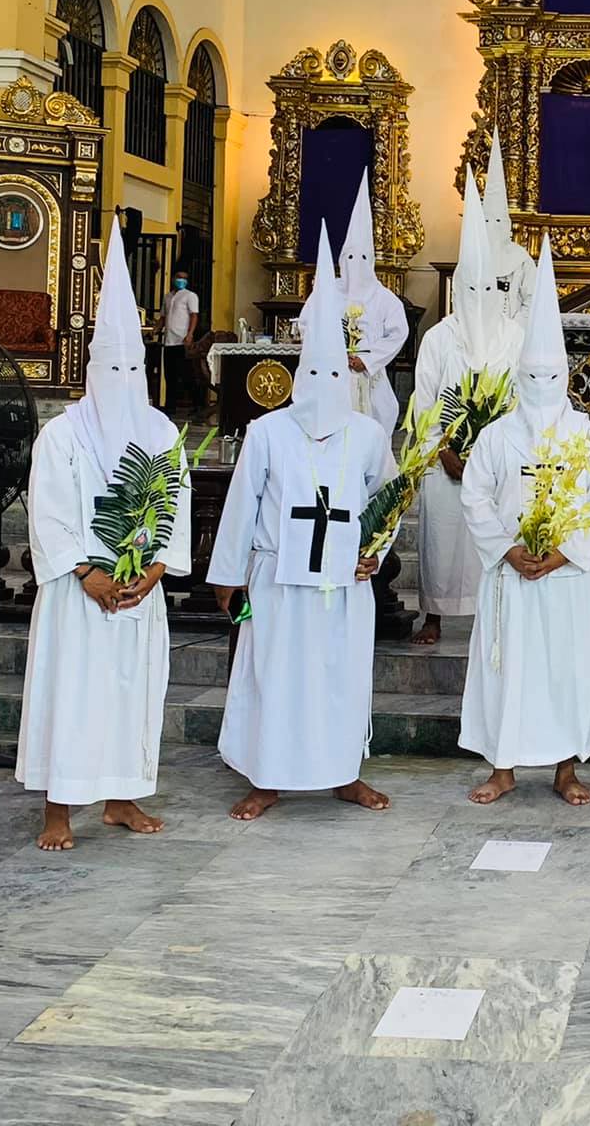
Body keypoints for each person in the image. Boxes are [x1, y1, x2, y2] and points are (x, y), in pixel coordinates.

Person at [16, 220, 193, 852]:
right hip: (77, 592)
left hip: (138, 591)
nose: (122, 374)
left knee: (131, 690)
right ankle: (59, 808)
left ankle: (121, 797)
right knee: (72, 692)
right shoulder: (61, 435)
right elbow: (50, 511)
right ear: (92, 366)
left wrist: (153, 571)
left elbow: (175, 501)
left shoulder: (160, 431)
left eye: (132, 364)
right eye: (110, 363)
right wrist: (87, 573)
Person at [209, 226, 393, 820]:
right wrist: (227, 573)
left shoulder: (368, 436)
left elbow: (387, 501)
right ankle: (268, 775)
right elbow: (242, 502)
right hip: (277, 579)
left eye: (333, 376)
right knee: (275, 675)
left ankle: (344, 772)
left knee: (341, 674)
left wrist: (377, 554)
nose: (322, 388)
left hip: (343, 581)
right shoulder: (267, 431)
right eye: (312, 376)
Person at [461, 238, 590, 805]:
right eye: (533, 376)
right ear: (519, 376)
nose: (542, 387)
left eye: (552, 377)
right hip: (509, 574)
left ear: (566, 378)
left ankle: (566, 768)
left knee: (564, 670)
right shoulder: (497, 434)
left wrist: (558, 555)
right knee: (508, 668)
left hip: (564, 576)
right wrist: (507, 549)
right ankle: (502, 767)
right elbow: (476, 495)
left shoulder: (586, 436)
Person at [411, 175, 524, 645]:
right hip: (446, 460)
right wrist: (445, 452)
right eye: (469, 287)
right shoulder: (439, 338)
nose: (478, 297)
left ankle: (491, 614)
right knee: (441, 536)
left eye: (485, 287)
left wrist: (491, 453)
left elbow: (521, 399)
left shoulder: (514, 336)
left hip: (498, 460)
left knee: (492, 538)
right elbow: (424, 400)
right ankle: (434, 615)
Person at [333, 172, 407, 436]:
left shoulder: (384, 298)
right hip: (334, 374)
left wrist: (367, 359)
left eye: (361, 257)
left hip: (370, 377)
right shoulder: (329, 293)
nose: (355, 263)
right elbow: (310, 324)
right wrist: (335, 355)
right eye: (349, 256)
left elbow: (398, 333)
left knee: (374, 425)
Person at [480, 132, 536, 320]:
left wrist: (514, 329)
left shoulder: (520, 259)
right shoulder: (474, 256)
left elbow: (532, 299)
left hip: (513, 334)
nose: (492, 227)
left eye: (497, 222)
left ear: (506, 225)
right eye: (487, 221)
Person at [160, 272, 201, 414]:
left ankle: (197, 405)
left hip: (182, 341)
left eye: (184, 278)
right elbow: (163, 316)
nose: (181, 280)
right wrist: (155, 329)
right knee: (169, 375)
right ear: (173, 278)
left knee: (187, 375)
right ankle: (170, 407)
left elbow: (194, 315)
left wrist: (190, 334)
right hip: (169, 341)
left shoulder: (190, 296)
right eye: (179, 277)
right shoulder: (168, 297)